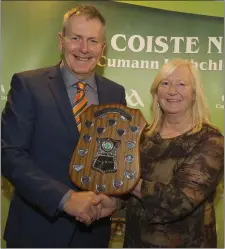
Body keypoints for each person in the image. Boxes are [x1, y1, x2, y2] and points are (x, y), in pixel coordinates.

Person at [1, 4, 126, 248]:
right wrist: (65, 199)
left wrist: (115, 200)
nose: (83, 48)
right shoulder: (28, 85)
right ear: (61, 41)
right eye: (76, 38)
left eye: (92, 40)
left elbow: (120, 160)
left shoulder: (115, 93)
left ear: (103, 48)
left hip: (93, 235)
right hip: (36, 232)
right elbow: (9, 153)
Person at [92, 59, 224, 247]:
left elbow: (179, 202)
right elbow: (130, 194)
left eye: (181, 84)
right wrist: (112, 203)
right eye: (165, 83)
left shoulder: (210, 140)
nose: (172, 91)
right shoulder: (141, 135)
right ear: (156, 92)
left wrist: (128, 181)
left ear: (194, 93)